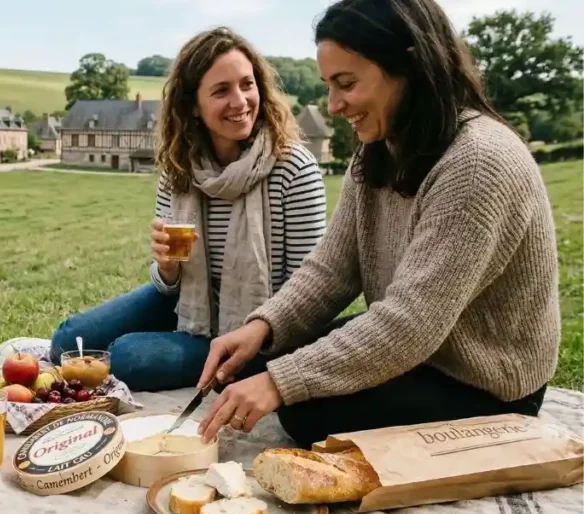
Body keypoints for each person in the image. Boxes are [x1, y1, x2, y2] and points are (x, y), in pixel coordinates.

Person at [194, 0, 560, 448]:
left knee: (302, 407)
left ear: (409, 66)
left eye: (346, 84)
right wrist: (262, 328)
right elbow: (332, 269)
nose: (332, 105)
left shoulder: (479, 161)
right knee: (263, 362)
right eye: (330, 85)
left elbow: (410, 323)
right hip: (424, 352)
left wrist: (280, 385)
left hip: (483, 382)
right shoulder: (379, 149)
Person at [48, 27, 327, 392]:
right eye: (221, 90)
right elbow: (168, 287)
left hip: (262, 331)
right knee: (69, 342)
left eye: (247, 84)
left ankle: (218, 359)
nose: (241, 101)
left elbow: (307, 292)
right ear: (193, 104)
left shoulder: (293, 168)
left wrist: (257, 332)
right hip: (190, 304)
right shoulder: (180, 169)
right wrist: (166, 268)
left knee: (129, 357)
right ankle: (177, 339)